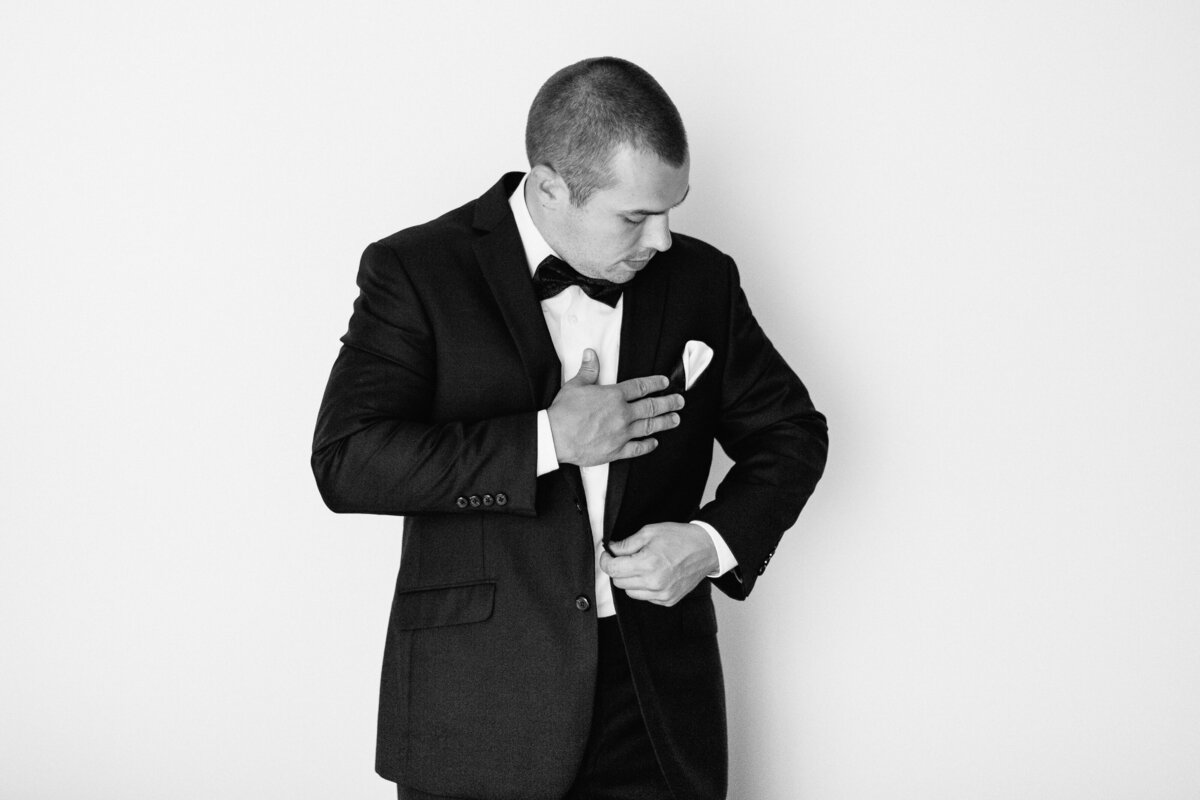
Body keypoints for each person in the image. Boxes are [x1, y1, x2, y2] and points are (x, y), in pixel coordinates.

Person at [312, 56, 828, 800]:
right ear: (550, 186)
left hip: (654, 706)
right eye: (635, 216)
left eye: (673, 207)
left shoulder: (701, 280)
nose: (662, 240)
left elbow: (792, 434)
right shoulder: (416, 269)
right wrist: (547, 440)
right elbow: (347, 459)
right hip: (480, 702)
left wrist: (711, 544)